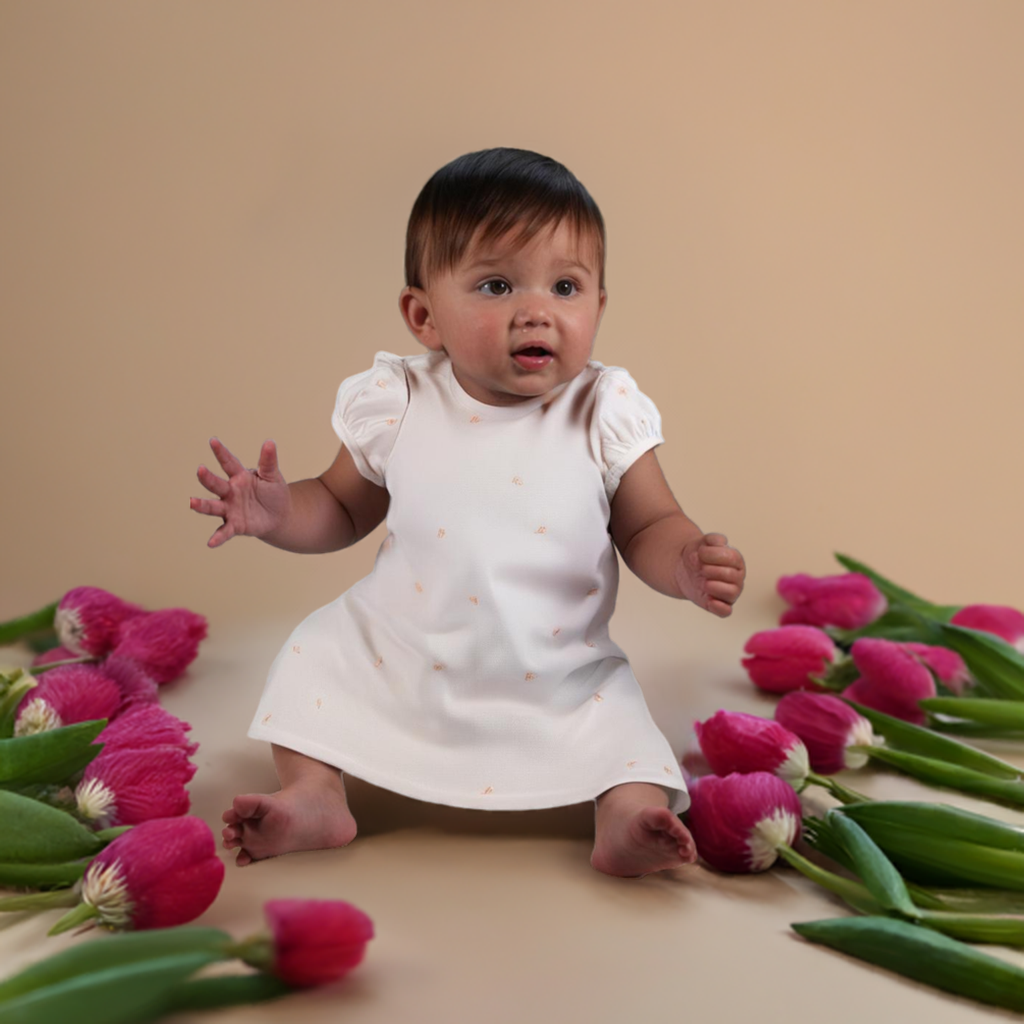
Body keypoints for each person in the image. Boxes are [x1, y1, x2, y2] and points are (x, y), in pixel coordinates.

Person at [190, 148, 746, 878]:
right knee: (313, 661)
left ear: (599, 307)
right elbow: (336, 507)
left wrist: (682, 562)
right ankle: (316, 794)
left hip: (557, 673)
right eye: (496, 284)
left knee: (623, 728)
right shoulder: (401, 402)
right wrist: (277, 511)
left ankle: (625, 819)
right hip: (402, 654)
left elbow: (646, 525)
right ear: (424, 315)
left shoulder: (600, 411)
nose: (536, 310)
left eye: (567, 286)